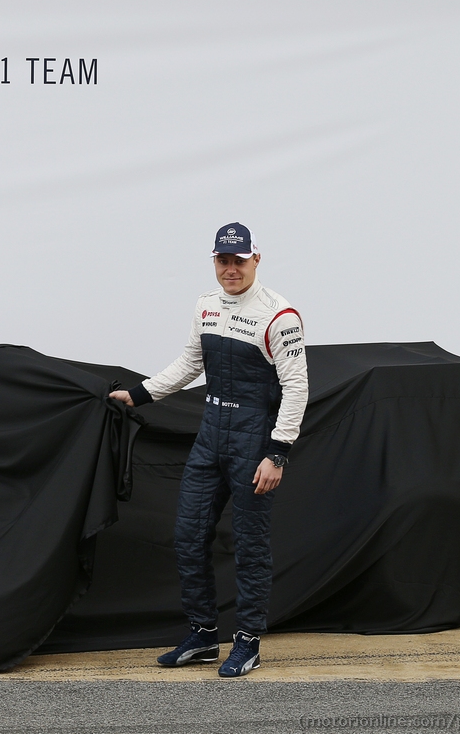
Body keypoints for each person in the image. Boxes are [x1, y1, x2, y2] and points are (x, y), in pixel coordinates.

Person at [110, 222, 307, 678]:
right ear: (214, 261)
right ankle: (202, 635)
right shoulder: (205, 305)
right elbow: (189, 363)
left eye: (239, 260)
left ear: (256, 259)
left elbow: (296, 386)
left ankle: (248, 642)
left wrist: (277, 452)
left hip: (254, 437)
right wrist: (139, 394)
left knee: (250, 545)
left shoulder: (280, 315)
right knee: (188, 536)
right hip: (211, 432)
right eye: (224, 260)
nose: (231, 269)